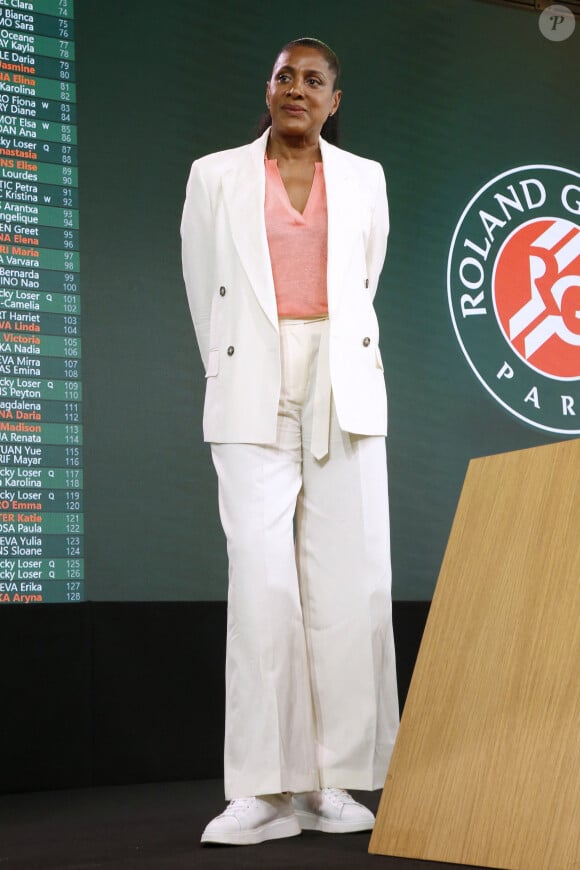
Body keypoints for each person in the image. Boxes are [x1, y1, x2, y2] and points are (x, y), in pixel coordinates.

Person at [180, 37, 399, 847]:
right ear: (267, 90)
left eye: (313, 79)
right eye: (284, 76)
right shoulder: (215, 175)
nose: (296, 88)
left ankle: (333, 783)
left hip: (341, 376)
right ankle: (265, 792)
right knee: (264, 586)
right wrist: (242, 371)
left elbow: (365, 280)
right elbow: (205, 292)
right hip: (252, 380)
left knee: (353, 585)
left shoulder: (366, 179)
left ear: (334, 101)